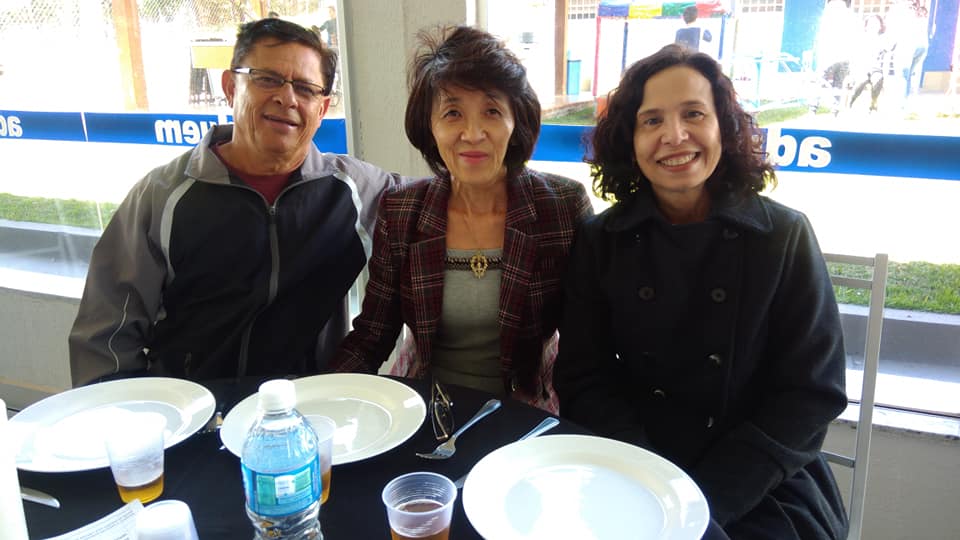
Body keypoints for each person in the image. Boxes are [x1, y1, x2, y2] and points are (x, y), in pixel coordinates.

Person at [554, 44, 849, 538]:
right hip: (637, 466)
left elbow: (811, 393)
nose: (674, 135)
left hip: (760, 481)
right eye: (652, 120)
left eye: (694, 114)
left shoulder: (783, 235)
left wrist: (705, 501)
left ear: (723, 129)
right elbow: (585, 378)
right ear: (630, 140)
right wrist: (652, 481)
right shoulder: (600, 240)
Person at [69, 19, 403, 385]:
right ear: (230, 87)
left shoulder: (353, 190)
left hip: (310, 402)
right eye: (267, 79)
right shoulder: (162, 196)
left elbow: (440, 196)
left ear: (321, 109)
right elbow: (107, 339)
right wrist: (127, 414)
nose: (287, 98)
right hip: (195, 405)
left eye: (305, 89)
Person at [331, 26, 593, 412]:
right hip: (425, 404)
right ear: (430, 125)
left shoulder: (562, 207)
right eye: (453, 113)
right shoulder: (402, 211)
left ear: (515, 122)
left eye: (492, 111)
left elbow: (586, 343)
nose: (472, 133)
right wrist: (322, 400)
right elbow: (372, 336)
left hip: (528, 408)